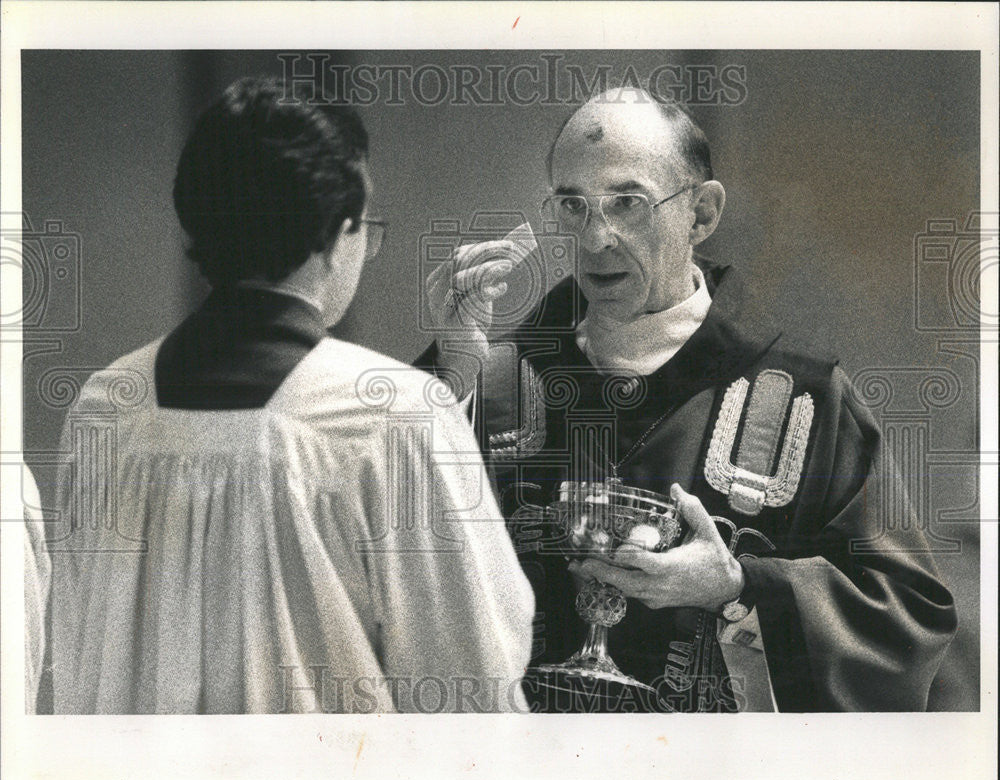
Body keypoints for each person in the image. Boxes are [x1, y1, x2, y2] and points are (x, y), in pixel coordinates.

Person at [421, 87, 957, 712]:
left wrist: (737, 586)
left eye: (628, 204)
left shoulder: (807, 399)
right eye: (573, 206)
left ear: (701, 214)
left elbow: (911, 620)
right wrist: (448, 383)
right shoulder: (489, 378)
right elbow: (373, 558)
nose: (596, 240)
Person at [47, 77, 534, 714]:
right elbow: (472, 689)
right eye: (369, 228)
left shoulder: (104, 408)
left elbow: (79, 661)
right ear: (340, 230)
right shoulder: (397, 416)